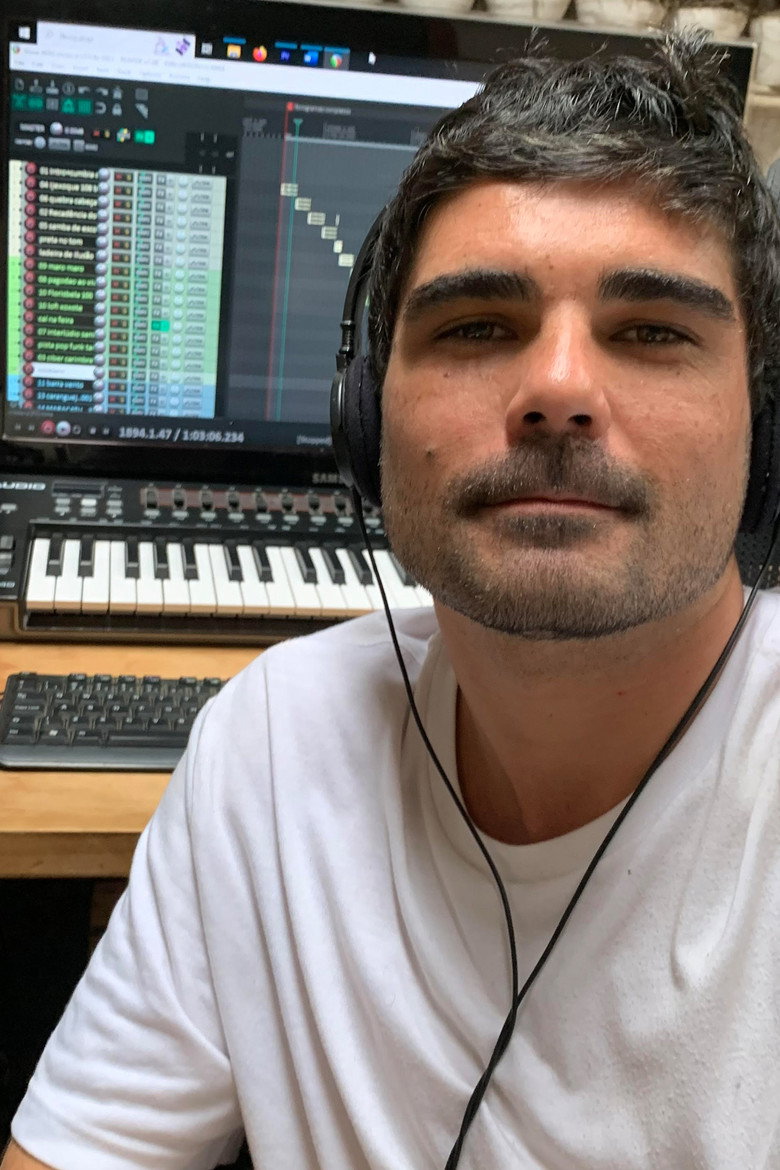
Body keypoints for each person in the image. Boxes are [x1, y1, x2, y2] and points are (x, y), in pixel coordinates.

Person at [4, 29, 780, 1170]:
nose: (558, 389)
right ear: (366, 421)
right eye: (478, 327)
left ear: (765, 426)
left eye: (652, 331)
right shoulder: (268, 746)